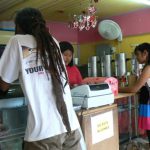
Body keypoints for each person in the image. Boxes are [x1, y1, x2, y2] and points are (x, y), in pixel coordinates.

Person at [0, 8, 81, 150]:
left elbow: (3, 84)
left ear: (19, 26)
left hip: (44, 134)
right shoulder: (53, 42)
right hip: (71, 128)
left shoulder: (17, 41)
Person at [119, 43, 150, 147]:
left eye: (137, 54)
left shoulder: (148, 68)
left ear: (145, 53)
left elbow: (134, 89)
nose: (136, 57)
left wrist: (116, 89)